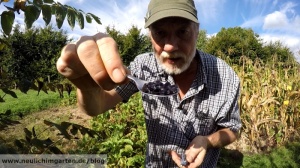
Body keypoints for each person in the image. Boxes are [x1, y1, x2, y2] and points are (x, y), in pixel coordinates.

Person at [56, 0, 242, 167]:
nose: (170, 46)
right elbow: (98, 106)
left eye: (182, 32)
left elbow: (233, 129)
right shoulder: (143, 67)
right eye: (160, 33)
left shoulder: (224, 75)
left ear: (197, 30)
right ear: (150, 35)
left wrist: (207, 141)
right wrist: (88, 87)